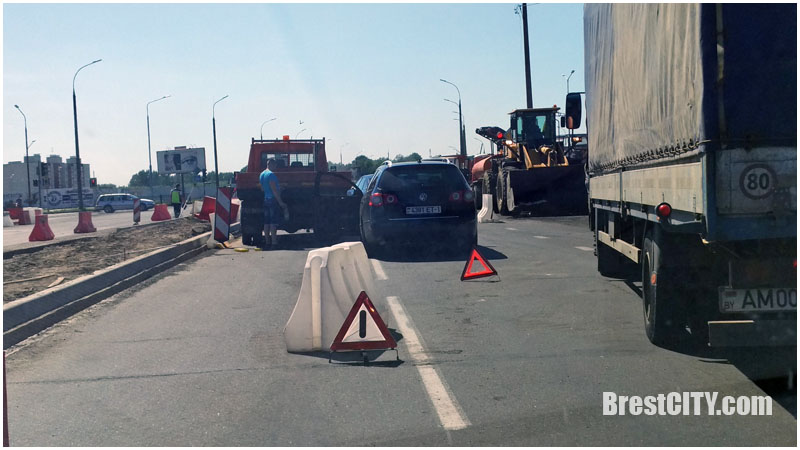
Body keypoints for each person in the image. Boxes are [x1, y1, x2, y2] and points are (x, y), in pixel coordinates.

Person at [259, 158, 287, 250]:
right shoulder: (271, 175)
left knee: (266, 222)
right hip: (272, 200)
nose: (275, 167)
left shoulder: (262, 174)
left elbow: (263, 189)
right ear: (271, 164)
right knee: (273, 222)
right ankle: (274, 242)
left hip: (265, 199)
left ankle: (267, 242)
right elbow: (274, 190)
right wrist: (281, 202)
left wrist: (278, 188)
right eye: (275, 165)